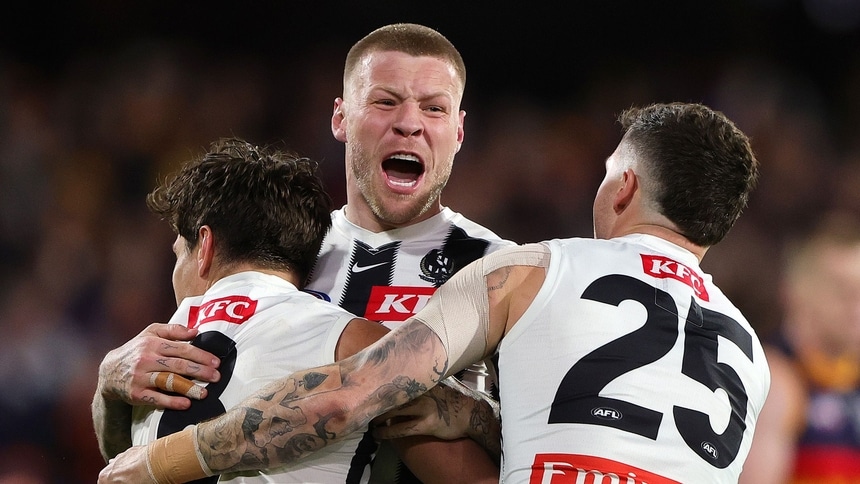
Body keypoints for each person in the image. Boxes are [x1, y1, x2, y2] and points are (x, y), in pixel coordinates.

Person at [99, 101, 771, 484]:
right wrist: (475, 419)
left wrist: (155, 463)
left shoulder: (533, 269)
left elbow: (343, 398)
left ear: (623, 187)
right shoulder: (753, 357)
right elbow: (616, 436)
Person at [92, 23, 510, 483]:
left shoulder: (502, 271)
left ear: (458, 130)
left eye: (433, 108)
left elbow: (546, 436)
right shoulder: (280, 250)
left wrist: (477, 416)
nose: (409, 123)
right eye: (385, 101)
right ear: (341, 118)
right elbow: (146, 444)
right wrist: (109, 384)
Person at [739, 212, 860, 484]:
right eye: (841, 289)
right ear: (794, 291)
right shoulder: (774, 382)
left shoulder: (850, 374)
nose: (856, 304)